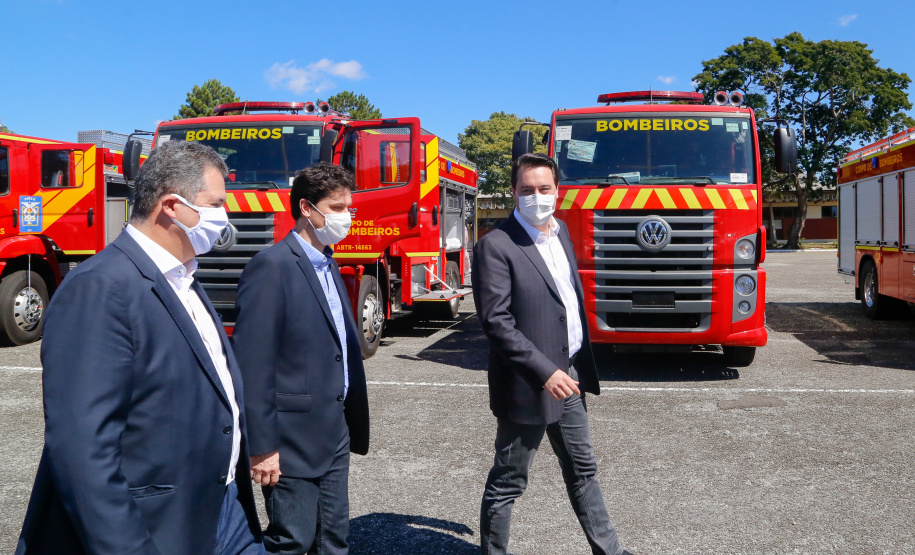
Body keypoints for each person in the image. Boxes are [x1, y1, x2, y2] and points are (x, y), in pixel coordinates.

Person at [15, 140, 264, 554]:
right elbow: (83, 450)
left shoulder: (184, 278)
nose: (225, 215)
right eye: (216, 203)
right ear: (171, 206)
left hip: (222, 511)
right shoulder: (100, 288)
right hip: (155, 527)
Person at [472, 153, 634, 555]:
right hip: (529, 383)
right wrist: (544, 371)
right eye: (527, 190)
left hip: (571, 376)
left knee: (583, 470)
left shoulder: (559, 233)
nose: (536, 197)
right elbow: (496, 322)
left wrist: (567, 364)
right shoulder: (495, 245)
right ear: (513, 192)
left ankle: (610, 551)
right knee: (509, 482)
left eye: (544, 189)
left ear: (557, 192)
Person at [233, 162, 370, 554]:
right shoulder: (271, 267)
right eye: (338, 208)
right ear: (307, 209)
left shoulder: (329, 263)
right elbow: (253, 364)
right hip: (290, 440)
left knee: (333, 539)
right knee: (292, 540)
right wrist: (263, 446)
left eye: (350, 208)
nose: (347, 218)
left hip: (333, 430)